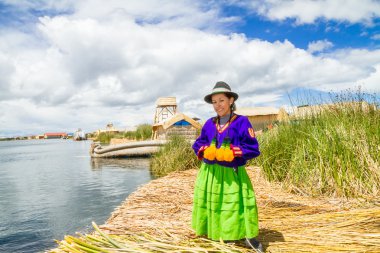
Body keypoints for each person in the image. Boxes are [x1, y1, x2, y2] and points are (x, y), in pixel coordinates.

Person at [192, 81, 263, 252]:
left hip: (232, 173)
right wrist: (204, 150)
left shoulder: (242, 122)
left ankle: (246, 236)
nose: (218, 105)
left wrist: (234, 152)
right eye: (214, 102)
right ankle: (220, 233)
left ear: (231, 100)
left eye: (221, 100)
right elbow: (198, 143)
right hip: (210, 172)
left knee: (234, 206)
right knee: (216, 205)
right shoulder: (209, 123)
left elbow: (253, 148)